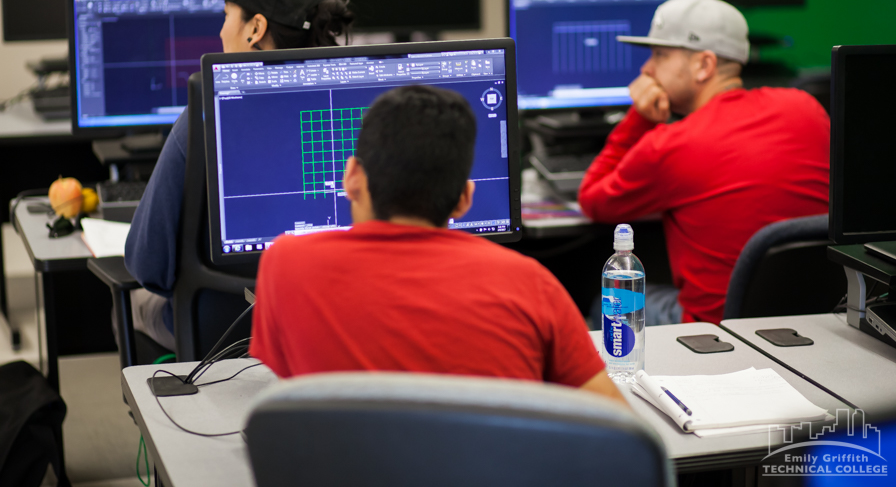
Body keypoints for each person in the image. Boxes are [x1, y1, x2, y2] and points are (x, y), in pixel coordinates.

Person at [249, 85, 626, 405]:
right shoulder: (530, 283)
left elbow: (294, 401)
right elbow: (622, 435)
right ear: (464, 199)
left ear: (351, 178)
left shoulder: (284, 264)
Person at [123, 0, 353, 351]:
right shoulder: (364, 113)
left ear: (255, 29)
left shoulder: (200, 118)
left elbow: (148, 265)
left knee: (128, 303)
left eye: (227, 15)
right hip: (337, 325)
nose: (220, 31)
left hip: (227, 334)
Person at [578, 0, 829, 326]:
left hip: (715, 332)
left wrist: (639, 118)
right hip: (813, 322)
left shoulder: (670, 145)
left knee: (604, 302)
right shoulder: (806, 108)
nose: (646, 69)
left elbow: (593, 199)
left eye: (660, 55)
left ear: (704, 66)